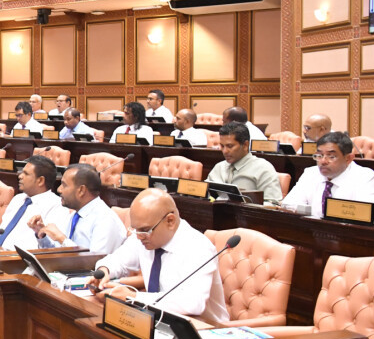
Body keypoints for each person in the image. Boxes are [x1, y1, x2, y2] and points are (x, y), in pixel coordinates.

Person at [90, 189, 229, 326]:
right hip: (155, 321)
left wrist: (134, 297)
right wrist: (104, 271)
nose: (138, 236)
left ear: (170, 221)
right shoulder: (143, 235)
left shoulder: (198, 247)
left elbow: (192, 303)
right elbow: (119, 259)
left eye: (144, 230)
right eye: (135, 229)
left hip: (203, 329)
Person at [31, 163, 127, 255]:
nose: (59, 189)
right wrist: (42, 235)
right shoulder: (75, 215)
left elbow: (95, 262)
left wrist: (62, 239)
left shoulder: (105, 219)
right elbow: (60, 254)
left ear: (81, 190)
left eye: (64, 185)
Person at [282, 131, 374, 217]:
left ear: (348, 158)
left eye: (331, 156)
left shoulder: (364, 176)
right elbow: (288, 204)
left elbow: (364, 214)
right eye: (319, 155)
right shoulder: (311, 172)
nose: (323, 161)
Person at [0, 155, 65, 250]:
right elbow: (1, 230)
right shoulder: (18, 199)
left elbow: (47, 246)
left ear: (40, 181)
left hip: (15, 258)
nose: (20, 176)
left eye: (26, 174)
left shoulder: (56, 206)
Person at [205, 123, 282, 201]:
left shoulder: (263, 168)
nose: (225, 151)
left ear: (245, 145)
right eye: (222, 146)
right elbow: (205, 196)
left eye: (230, 146)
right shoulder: (219, 167)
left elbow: (273, 204)